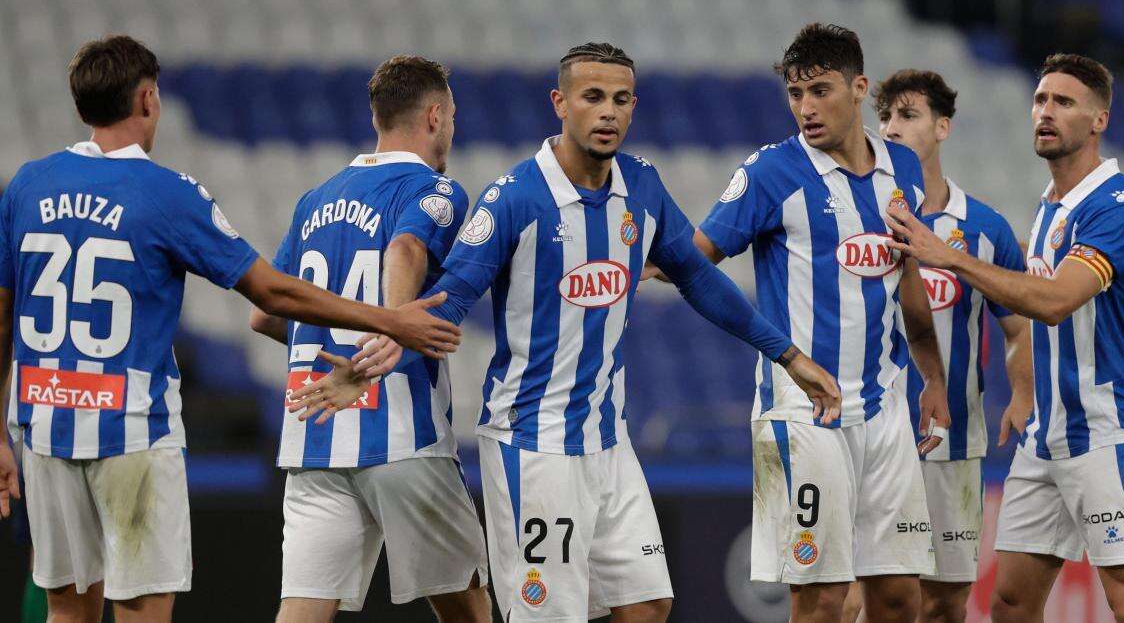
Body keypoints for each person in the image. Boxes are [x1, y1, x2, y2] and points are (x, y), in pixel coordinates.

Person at [291, 41, 842, 623]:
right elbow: (446, 302)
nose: (608, 112)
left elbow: (698, 279)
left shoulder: (643, 186)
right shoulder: (515, 198)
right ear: (560, 103)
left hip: (608, 441)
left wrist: (788, 356)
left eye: (621, 100)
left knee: (649, 605)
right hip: (533, 447)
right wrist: (375, 360)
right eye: (593, 97)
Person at [0, 35, 459, 623]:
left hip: (42, 423)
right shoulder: (166, 193)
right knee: (142, 608)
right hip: (130, 429)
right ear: (147, 100)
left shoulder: (27, 185)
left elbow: (3, 312)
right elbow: (268, 291)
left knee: (66, 609)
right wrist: (387, 319)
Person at [885, 54, 1124, 623]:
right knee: (1011, 604)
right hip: (1047, 438)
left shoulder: (1117, 203)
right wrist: (1024, 393)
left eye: (1064, 102)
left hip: (1106, 433)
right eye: (1040, 100)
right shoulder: (1050, 208)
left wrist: (949, 256)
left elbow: (1052, 301)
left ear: (1099, 120)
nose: (1045, 111)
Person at [692, 24, 949, 623]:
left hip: (885, 408)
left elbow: (908, 278)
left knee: (897, 594)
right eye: (794, 93)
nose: (805, 108)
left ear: (859, 88)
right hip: (804, 412)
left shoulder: (903, 167)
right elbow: (692, 260)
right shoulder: (770, 173)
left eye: (820, 91)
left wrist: (931, 375)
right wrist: (777, 351)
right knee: (824, 598)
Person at [248, 55, 491, 623]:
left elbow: (265, 316)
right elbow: (405, 248)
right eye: (451, 117)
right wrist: (388, 335)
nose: (452, 129)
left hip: (312, 434)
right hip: (400, 433)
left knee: (303, 608)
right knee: (467, 608)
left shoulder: (315, 200)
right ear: (434, 116)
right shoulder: (436, 189)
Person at [840, 70, 1033, 623]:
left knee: (945, 600)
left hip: (954, 439)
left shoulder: (984, 228)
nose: (891, 128)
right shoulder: (859, 213)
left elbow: (1018, 326)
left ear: (942, 127)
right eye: (885, 117)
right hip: (871, 431)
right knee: (858, 592)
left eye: (908, 115)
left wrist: (1021, 394)